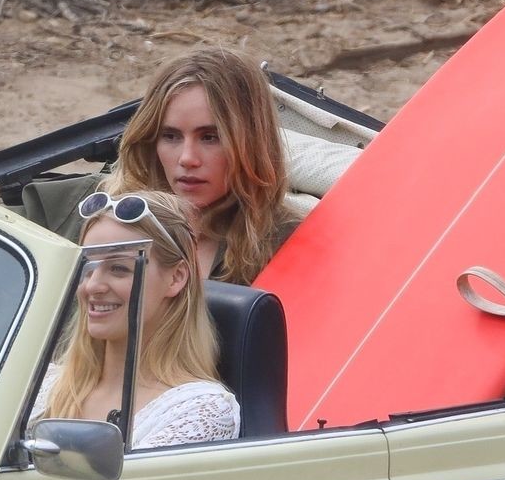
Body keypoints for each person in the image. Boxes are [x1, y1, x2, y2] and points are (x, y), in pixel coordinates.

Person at [21, 47, 300, 286]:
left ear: (251, 143)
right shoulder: (82, 207)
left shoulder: (287, 246)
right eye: (170, 136)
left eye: (210, 137)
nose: (187, 158)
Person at [25, 190, 238, 448]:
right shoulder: (40, 385)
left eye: (118, 268)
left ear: (176, 278)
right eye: (87, 267)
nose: (92, 286)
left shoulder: (199, 410)